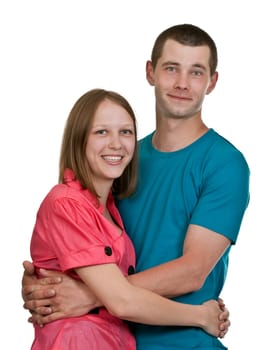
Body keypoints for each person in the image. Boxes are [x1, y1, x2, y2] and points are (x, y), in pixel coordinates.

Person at [22, 23, 249, 349]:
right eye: (171, 68)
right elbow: (83, 240)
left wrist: (90, 295)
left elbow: (193, 271)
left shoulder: (224, 163)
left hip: (185, 341)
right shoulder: (121, 162)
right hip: (115, 338)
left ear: (212, 82)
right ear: (150, 72)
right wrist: (45, 282)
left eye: (196, 72)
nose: (182, 84)